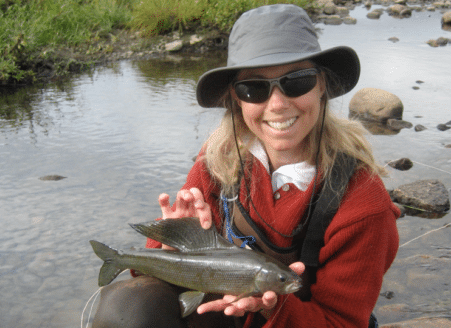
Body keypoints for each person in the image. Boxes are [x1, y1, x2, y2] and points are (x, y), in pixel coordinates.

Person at [92, 4, 399, 328]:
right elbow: (155, 269)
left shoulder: (363, 203)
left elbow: (341, 324)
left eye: (297, 81)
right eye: (254, 87)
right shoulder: (218, 159)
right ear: (236, 99)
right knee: (128, 305)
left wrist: (271, 306)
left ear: (322, 85)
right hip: (226, 314)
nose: (278, 105)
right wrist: (171, 241)